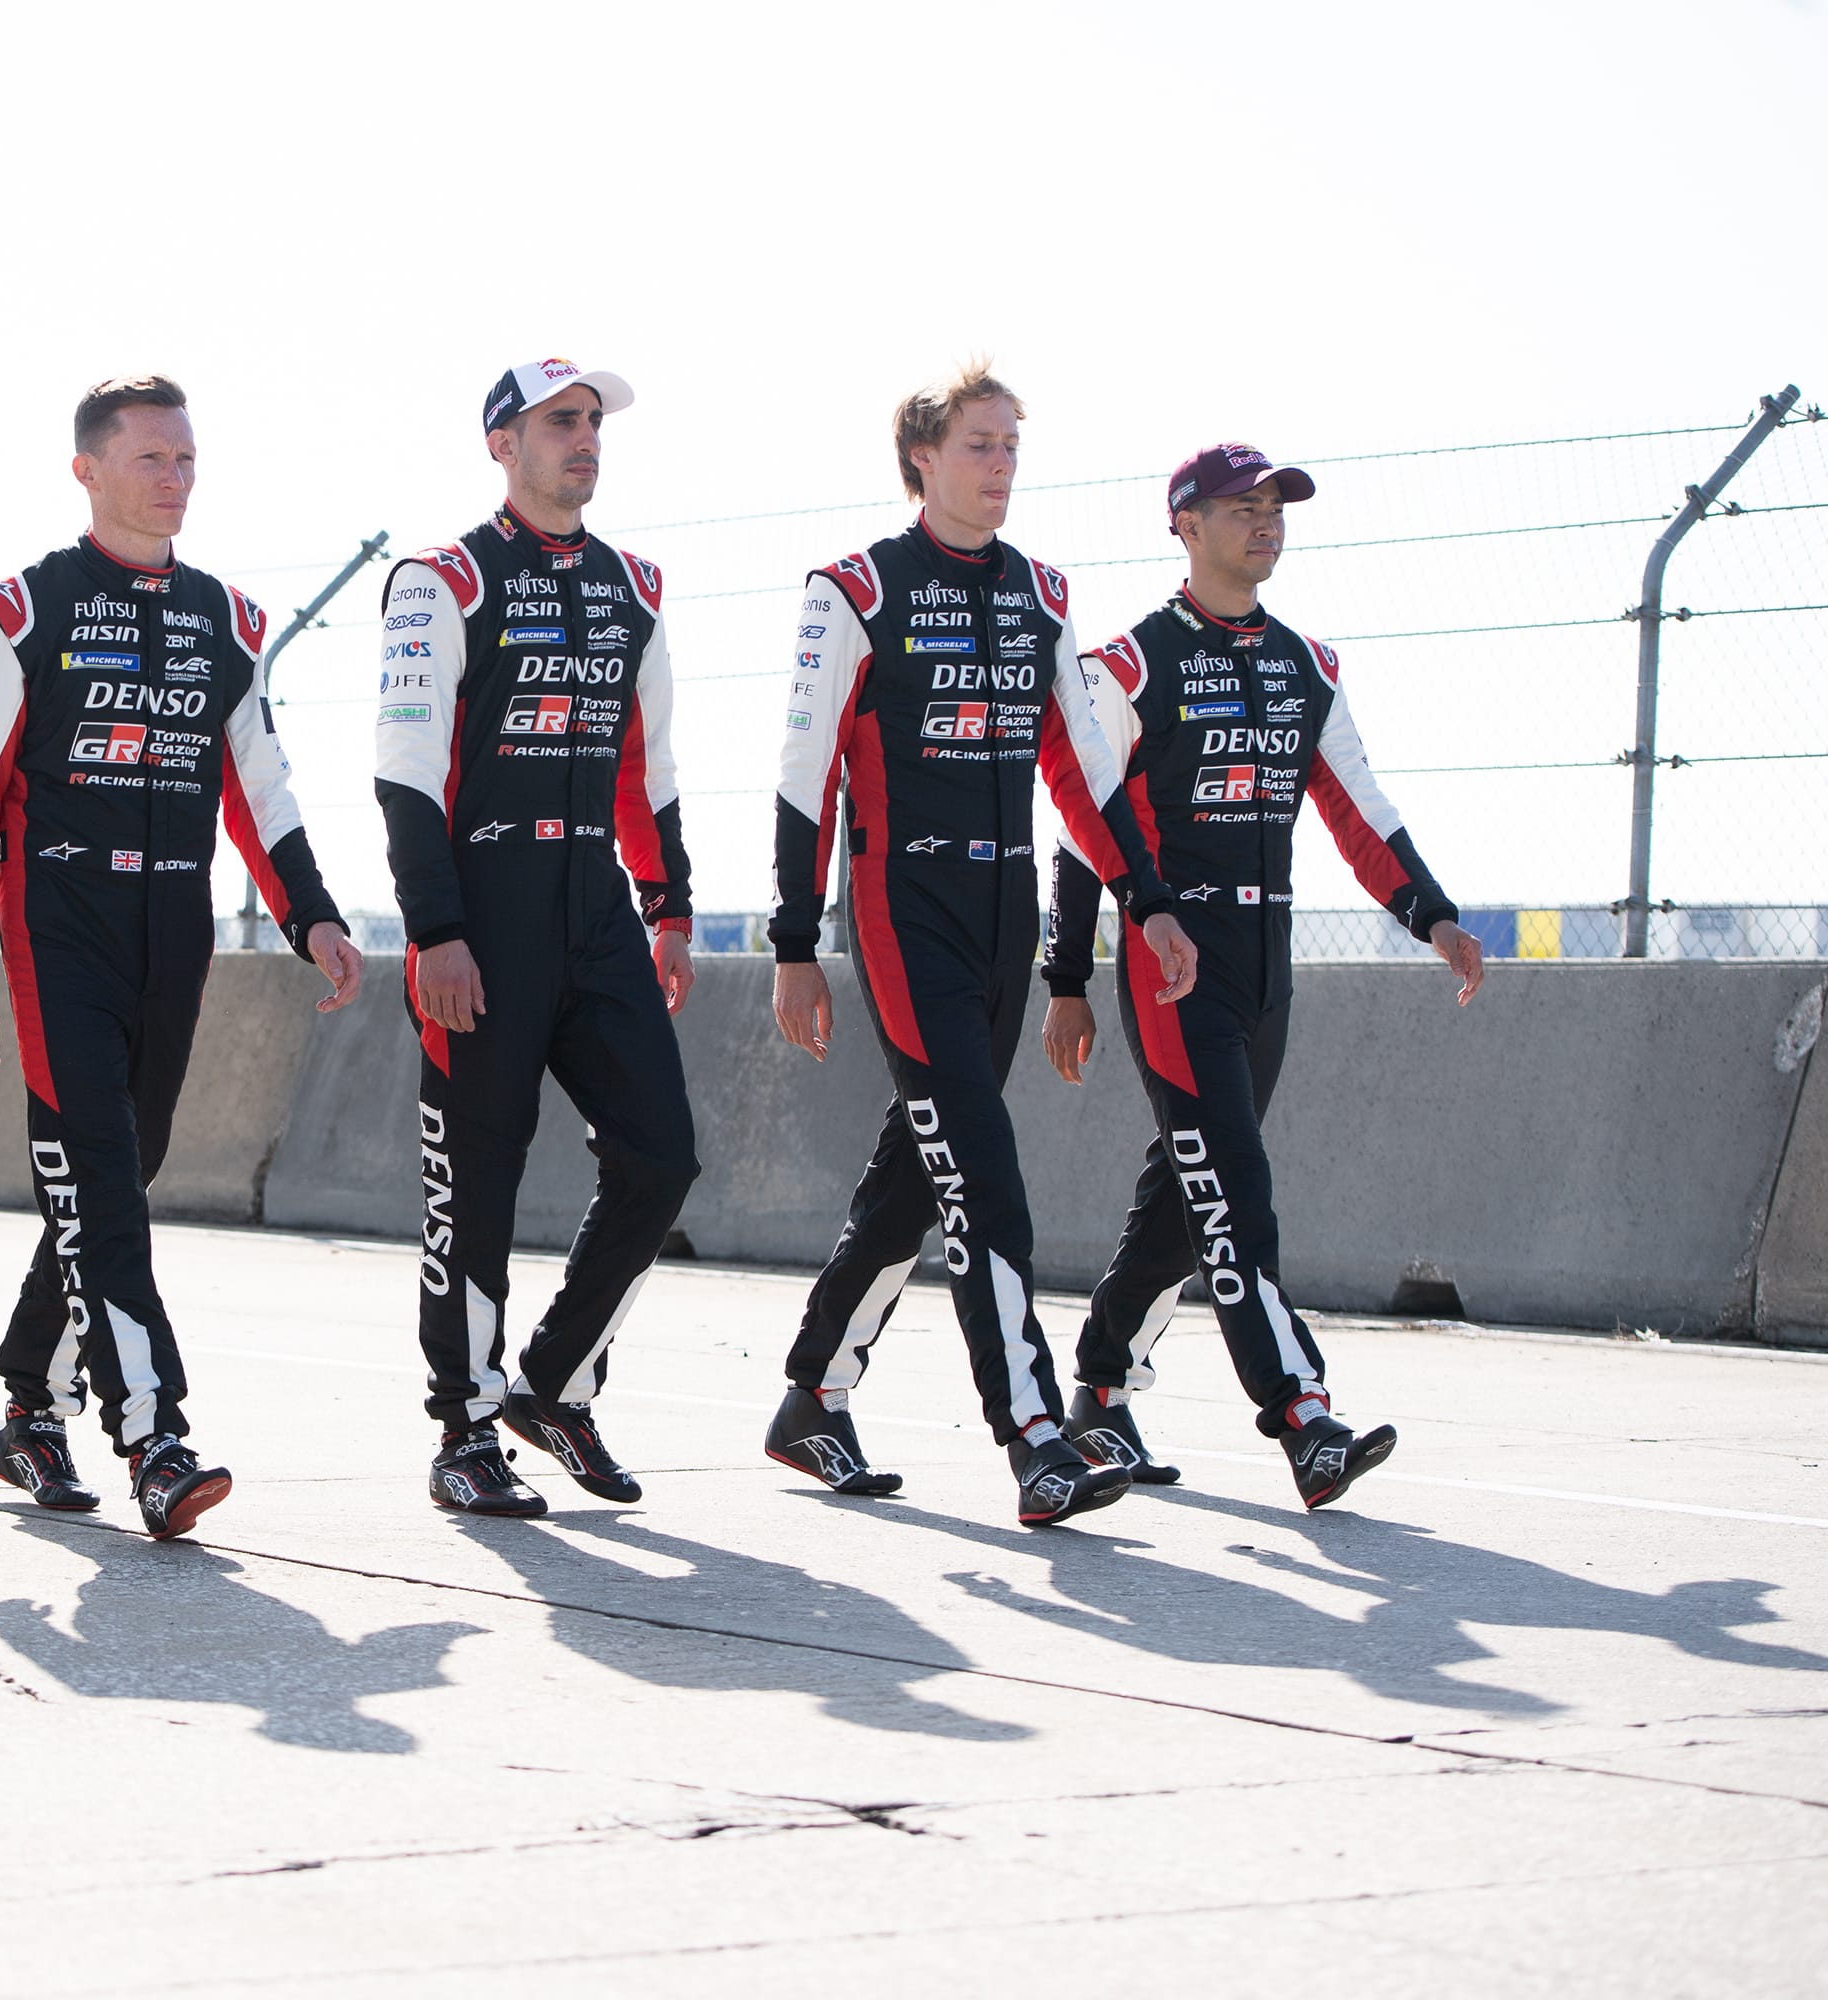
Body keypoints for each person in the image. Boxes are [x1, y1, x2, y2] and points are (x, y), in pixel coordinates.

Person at [764, 364, 1200, 1527]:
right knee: (985, 1174)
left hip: (1006, 913)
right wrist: (795, 941)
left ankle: (812, 1395)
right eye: (978, 444)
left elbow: (1084, 773)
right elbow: (805, 775)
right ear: (922, 458)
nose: (1001, 464)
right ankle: (1036, 1436)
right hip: (903, 913)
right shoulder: (855, 588)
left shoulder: (1042, 593)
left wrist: (1147, 900)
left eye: (1012, 445)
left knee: (923, 1170)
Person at [0, 374, 363, 1540]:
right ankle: (153, 1436)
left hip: (174, 929)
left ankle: (29, 1401)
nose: (175, 478)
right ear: (88, 469)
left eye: (186, 459)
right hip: (58, 930)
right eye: (150, 458)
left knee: (121, 1171)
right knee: (103, 1181)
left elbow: (260, 787)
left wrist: (314, 916)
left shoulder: (229, 618)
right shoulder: (15, 610)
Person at [1041, 443, 1483, 1510]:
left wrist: (1431, 913)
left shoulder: (1307, 665)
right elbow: (1084, 826)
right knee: (1235, 1190)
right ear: (1186, 525)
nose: (1267, 521)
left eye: (1276, 506)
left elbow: (1359, 807)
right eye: (1243, 507)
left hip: (1267, 961)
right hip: (1172, 964)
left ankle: (1099, 1387)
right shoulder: (1127, 664)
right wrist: (1067, 977)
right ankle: (1302, 1414)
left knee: (1188, 1194)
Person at [371, 358, 702, 1519]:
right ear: (503, 443)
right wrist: (436, 929)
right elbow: (405, 770)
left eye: (594, 421)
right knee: (476, 1183)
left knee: (663, 1156)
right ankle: (464, 1429)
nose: (586, 438)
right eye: (562, 421)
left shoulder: (633, 584)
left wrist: (669, 907)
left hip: (595, 903)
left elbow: (647, 765)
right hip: (483, 905)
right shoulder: (442, 579)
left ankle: (553, 1382)